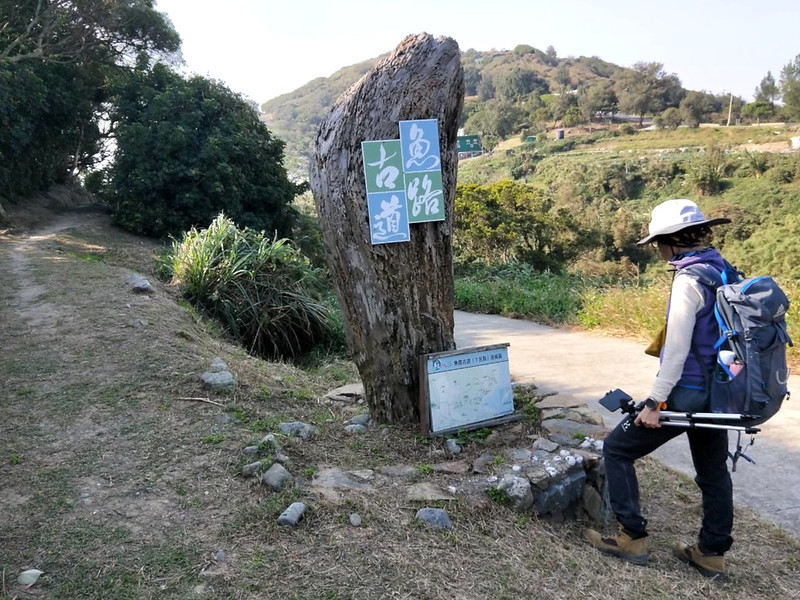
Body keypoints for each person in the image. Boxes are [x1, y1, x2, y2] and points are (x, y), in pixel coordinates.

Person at [584, 198, 735, 581]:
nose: (657, 251)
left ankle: (631, 537)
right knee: (713, 472)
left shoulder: (688, 280)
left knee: (617, 448)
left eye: (657, 244)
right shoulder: (723, 270)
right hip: (720, 393)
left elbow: (678, 351)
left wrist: (654, 402)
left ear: (670, 241)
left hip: (690, 391)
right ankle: (711, 553)